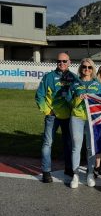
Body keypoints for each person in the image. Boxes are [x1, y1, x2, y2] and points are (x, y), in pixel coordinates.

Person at [35, 52, 77, 183]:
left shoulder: (74, 77)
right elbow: (39, 96)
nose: (62, 63)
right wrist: (48, 111)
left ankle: (69, 168)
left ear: (69, 62)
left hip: (69, 116)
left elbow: (80, 93)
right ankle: (46, 171)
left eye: (65, 61)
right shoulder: (48, 77)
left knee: (69, 143)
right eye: (59, 61)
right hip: (52, 117)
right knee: (48, 143)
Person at [68, 58, 101, 189]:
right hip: (76, 117)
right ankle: (75, 175)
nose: (86, 69)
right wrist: (78, 98)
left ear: (93, 69)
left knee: (90, 147)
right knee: (76, 147)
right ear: (80, 68)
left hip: (92, 119)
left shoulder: (97, 84)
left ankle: (89, 173)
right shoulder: (75, 84)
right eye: (84, 67)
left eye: (89, 67)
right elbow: (69, 102)